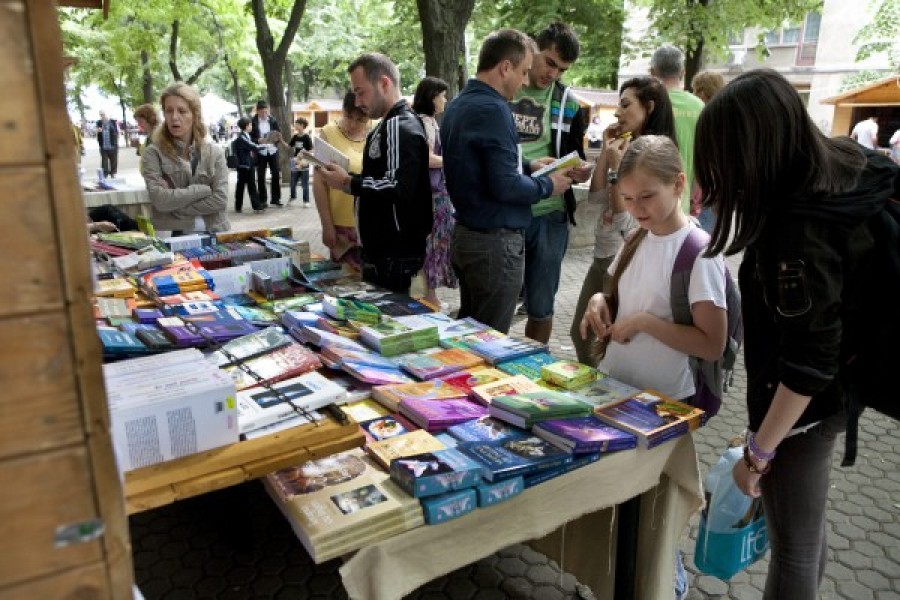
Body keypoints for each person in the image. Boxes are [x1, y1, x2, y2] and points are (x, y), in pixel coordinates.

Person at [694, 68, 899, 600]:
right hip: (838, 386)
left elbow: (807, 364)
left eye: (722, 154)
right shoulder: (840, 164)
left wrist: (758, 454)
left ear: (751, 148)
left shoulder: (797, 230)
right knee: (805, 533)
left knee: (794, 548)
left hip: (807, 406)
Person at [441, 29, 573, 334]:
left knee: (471, 335)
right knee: (489, 344)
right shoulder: (495, 109)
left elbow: (480, 164)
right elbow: (506, 186)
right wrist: (549, 186)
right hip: (494, 243)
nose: (525, 81)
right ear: (505, 68)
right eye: (524, 72)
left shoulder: (460, 102)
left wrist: (529, 165)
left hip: (469, 236)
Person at [578, 135, 726, 407]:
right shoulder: (636, 237)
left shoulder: (699, 253)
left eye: (647, 196)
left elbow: (712, 345)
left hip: (665, 400)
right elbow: (626, 297)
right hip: (615, 383)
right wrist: (599, 300)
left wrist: (643, 323)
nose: (636, 208)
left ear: (678, 184)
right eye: (628, 198)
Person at [570, 76, 676, 364]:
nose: (617, 112)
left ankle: (601, 397)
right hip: (605, 252)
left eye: (626, 105)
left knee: (598, 339)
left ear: (649, 107)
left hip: (626, 255)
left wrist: (618, 169)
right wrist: (607, 151)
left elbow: (623, 220)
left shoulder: (653, 154)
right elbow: (594, 199)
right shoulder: (623, 145)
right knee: (582, 334)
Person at [317, 53, 432, 294]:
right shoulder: (390, 124)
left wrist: (348, 182)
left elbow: (398, 187)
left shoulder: (398, 125)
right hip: (386, 254)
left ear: (384, 83)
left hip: (393, 255)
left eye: (361, 92)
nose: (358, 101)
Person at [509, 22, 593, 344]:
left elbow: (575, 153)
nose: (553, 74)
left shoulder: (568, 101)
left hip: (550, 213)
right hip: (509, 207)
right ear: (533, 49)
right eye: (550, 62)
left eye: (562, 69)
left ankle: (533, 373)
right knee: (500, 304)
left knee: (541, 308)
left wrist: (580, 170)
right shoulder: (506, 87)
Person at [141, 82, 230, 235]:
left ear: (194, 114)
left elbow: (221, 199)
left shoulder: (214, 153)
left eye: (182, 111)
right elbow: (160, 200)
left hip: (214, 233)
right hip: (173, 236)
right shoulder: (153, 153)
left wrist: (178, 208)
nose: (174, 117)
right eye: (169, 111)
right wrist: (202, 190)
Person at [412, 75, 457, 307]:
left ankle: (431, 295)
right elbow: (427, 159)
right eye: (442, 95)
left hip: (432, 192)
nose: (445, 100)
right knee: (434, 244)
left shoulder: (424, 121)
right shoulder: (425, 122)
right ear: (432, 97)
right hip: (433, 194)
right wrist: (451, 160)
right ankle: (430, 297)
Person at [313, 92, 370, 270]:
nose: (353, 124)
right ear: (342, 110)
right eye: (348, 116)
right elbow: (319, 183)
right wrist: (326, 225)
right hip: (342, 227)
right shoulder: (328, 134)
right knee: (346, 284)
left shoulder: (377, 130)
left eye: (361, 119)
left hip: (371, 224)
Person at [649, 44, 704, 214]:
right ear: (683, 72)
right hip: (682, 204)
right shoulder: (699, 106)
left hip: (645, 203)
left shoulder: (647, 103)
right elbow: (704, 158)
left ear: (652, 71)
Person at [688, 71, 725, 233]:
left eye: (695, 90)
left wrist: (693, 196)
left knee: (699, 239)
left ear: (702, 93)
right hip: (720, 191)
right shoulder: (727, 119)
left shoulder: (706, 118)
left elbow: (702, 160)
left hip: (703, 192)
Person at [251, 99, 283, 207]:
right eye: (262, 112)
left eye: (266, 111)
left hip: (272, 150)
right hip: (261, 151)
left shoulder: (272, 120)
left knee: (275, 174)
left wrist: (275, 139)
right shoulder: (253, 121)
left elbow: (279, 133)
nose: (264, 114)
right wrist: (258, 140)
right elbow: (250, 137)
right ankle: (263, 199)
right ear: (258, 111)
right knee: (261, 176)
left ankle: (276, 199)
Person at [232, 116, 263, 214]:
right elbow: (252, 146)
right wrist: (264, 146)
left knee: (249, 185)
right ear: (246, 126)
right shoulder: (242, 137)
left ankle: (254, 206)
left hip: (248, 164)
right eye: (250, 124)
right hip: (244, 165)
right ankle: (241, 206)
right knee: (244, 186)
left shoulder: (245, 136)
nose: (251, 126)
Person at [289, 117, 314, 206]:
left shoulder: (307, 137)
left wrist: (304, 152)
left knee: (304, 183)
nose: (295, 125)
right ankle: (292, 198)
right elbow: (289, 146)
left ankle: (306, 201)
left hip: (304, 162)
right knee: (292, 182)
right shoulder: (295, 137)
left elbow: (312, 150)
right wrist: (280, 140)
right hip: (295, 161)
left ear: (302, 126)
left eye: (297, 124)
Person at [96, 110, 119, 179]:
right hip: (103, 145)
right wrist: (98, 130)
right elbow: (97, 131)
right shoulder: (99, 122)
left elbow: (117, 132)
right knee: (104, 162)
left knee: (114, 160)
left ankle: (113, 173)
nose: (102, 116)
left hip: (113, 144)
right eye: (101, 115)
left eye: (103, 114)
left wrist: (116, 143)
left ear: (106, 114)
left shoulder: (113, 122)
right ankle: (105, 174)